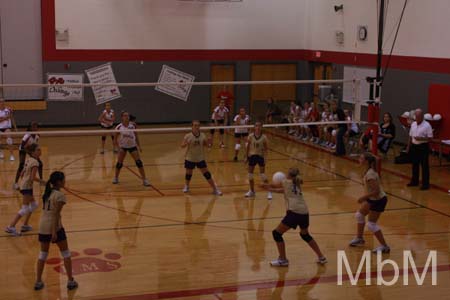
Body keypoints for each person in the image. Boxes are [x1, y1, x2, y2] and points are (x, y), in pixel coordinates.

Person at [267, 167, 327, 266]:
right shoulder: (296, 183)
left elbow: (274, 185)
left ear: (289, 175)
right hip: (304, 212)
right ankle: (321, 257)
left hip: (294, 212)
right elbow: (283, 190)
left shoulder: (286, 182)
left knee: (276, 233)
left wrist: (265, 185)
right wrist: (270, 189)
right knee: (305, 235)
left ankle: (283, 260)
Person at [34, 171, 78, 291]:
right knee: (66, 254)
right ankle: (70, 281)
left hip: (42, 226)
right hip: (54, 227)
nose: (65, 181)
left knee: (43, 254)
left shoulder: (47, 192)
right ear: (59, 182)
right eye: (64, 179)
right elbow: (55, 214)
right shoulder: (60, 196)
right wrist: (54, 232)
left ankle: (38, 281)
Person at [349, 153, 390, 253]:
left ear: (366, 161)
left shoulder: (370, 174)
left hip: (378, 200)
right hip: (372, 199)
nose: (359, 159)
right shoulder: (367, 171)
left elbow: (376, 192)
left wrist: (363, 197)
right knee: (359, 215)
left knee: (371, 224)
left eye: (361, 158)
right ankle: (359, 238)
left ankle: (384, 246)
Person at [5, 144, 45, 236]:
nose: (40, 151)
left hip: (25, 186)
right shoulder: (35, 162)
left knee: (34, 205)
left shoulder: (29, 159)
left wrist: (22, 182)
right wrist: (43, 182)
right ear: (33, 152)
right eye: (38, 150)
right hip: (26, 187)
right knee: (24, 208)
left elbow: (22, 172)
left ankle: (25, 225)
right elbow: (32, 178)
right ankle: (11, 227)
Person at [181, 120, 222, 195]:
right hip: (190, 158)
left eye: (198, 125)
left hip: (200, 158)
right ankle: (186, 186)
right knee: (188, 174)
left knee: (207, 174)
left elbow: (206, 145)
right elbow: (182, 146)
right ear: (192, 126)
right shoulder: (188, 135)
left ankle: (215, 189)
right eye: (195, 125)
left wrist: (209, 142)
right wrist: (186, 143)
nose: (197, 127)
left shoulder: (203, 135)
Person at [112, 111, 150, 186]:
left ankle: (144, 179)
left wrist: (139, 146)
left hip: (132, 146)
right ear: (122, 117)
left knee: (139, 162)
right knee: (119, 164)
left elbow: (136, 135)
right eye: (125, 116)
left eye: (128, 116)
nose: (127, 117)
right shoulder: (119, 127)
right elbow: (115, 139)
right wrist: (117, 148)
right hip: (123, 147)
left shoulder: (133, 125)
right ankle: (116, 178)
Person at [406, 109, 433, 190]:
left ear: (422, 116)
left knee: (424, 166)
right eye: (416, 116)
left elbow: (430, 139)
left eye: (418, 117)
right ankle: (414, 181)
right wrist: (408, 146)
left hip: (423, 147)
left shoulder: (427, 125)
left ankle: (425, 184)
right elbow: (410, 136)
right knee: (414, 164)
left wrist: (421, 138)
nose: (416, 118)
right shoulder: (413, 124)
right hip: (414, 146)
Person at [245, 122, 272, 200]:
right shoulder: (250, 136)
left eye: (259, 126)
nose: (258, 127)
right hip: (252, 156)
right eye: (256, 126)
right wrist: (246, 157)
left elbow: (266, 149)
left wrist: (266, 158)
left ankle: (269, 191)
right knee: (250, 175)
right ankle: (252, 191)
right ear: (254, 127)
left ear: (261, 127)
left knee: (262, 175)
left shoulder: (264, 137)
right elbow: (248, 147)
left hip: (260, 156)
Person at [13, 122, 43, 190]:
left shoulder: (37, 135)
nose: (35, 128)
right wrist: (30, 152)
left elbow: (35, 145)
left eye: (36, 127)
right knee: (21, 164)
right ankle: (15, 183)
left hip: (31, 150)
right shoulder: (27, 136)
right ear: (30, 128)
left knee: (40, 164)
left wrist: (36, 152)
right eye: (33, 126)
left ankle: (41, 181)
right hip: (23, 149)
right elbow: (23, 146)